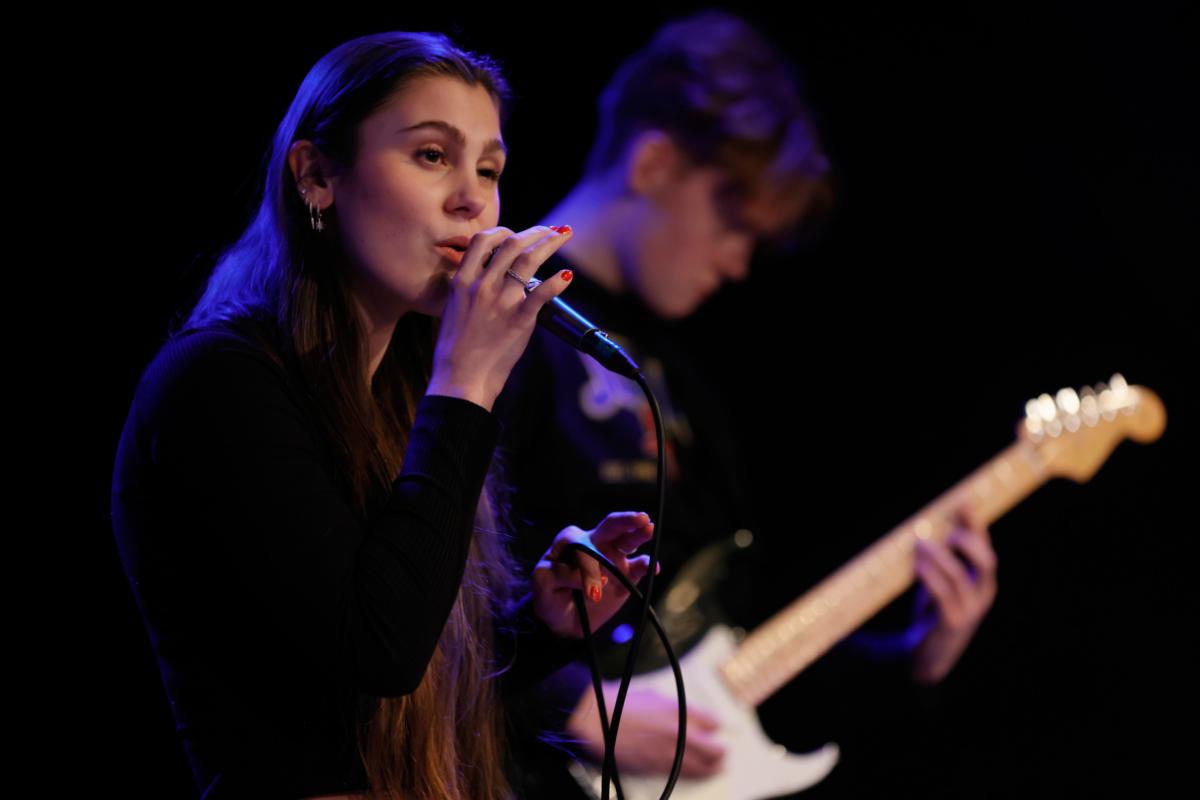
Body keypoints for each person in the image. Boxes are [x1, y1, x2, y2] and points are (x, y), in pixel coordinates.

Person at [110, 31, 658, 800]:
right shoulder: (220, 384)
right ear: (317, 176)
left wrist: (539, 627)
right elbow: (377, 652)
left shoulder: (401, 393)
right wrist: (465, 384)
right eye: (432, 155)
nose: (473, 197)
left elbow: (388, 688)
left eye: (490, 167)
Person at [494, 11, 999, 795]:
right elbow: (431, 576)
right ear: (654, 161)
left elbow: (732, 649)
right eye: (733, 224)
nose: (737, 264)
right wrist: (564, 703)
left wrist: (915, 657)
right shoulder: (501, 319)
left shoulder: (687, 385)